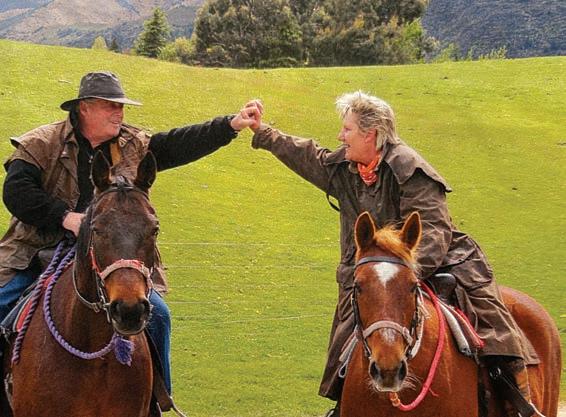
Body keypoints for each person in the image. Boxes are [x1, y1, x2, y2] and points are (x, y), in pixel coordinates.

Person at [248, 91, 538, 417]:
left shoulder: (411, 170)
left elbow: (434, 230)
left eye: (347, 129)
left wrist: (403, 272)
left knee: (493, 326)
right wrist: (262, 131)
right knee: (348, 340)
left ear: (370, 134)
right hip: (372, 273)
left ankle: (516, 400)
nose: (340, 136)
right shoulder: (345, 168)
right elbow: (307, 155)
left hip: (436, 261)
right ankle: (343, 404)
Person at [0, 71, 262, 410]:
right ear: (84, 108)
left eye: (121, 106)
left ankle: (157, 399)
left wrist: (231, 125)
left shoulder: (131, 143)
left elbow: (178, 143)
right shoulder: (41, 143)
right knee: (2, 306)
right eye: (111, 106)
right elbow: (16, 192)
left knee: (159, 316)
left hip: (114, 254)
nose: (119, 113)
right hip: (38, 250)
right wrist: (66, 217)